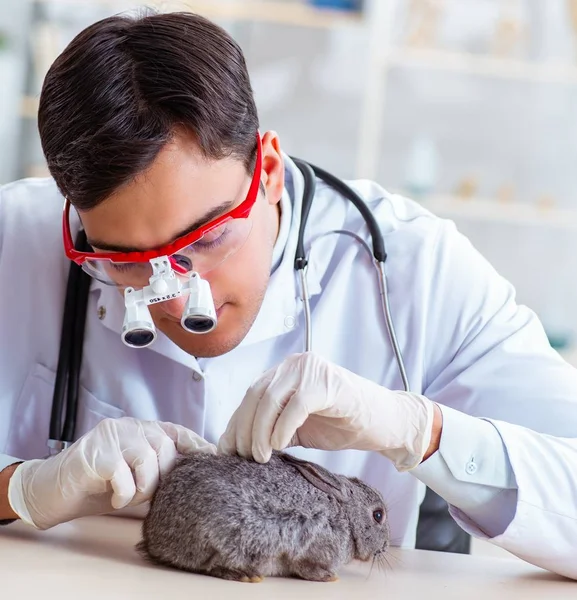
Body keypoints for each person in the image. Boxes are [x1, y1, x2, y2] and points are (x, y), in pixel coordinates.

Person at [0, 9, 576, 581]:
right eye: (124, 264)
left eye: (209, 238)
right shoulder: (14, 237)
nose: (175, 302)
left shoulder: (415, 267)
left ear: (268, 170)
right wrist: (23, 488)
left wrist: (419, 432)